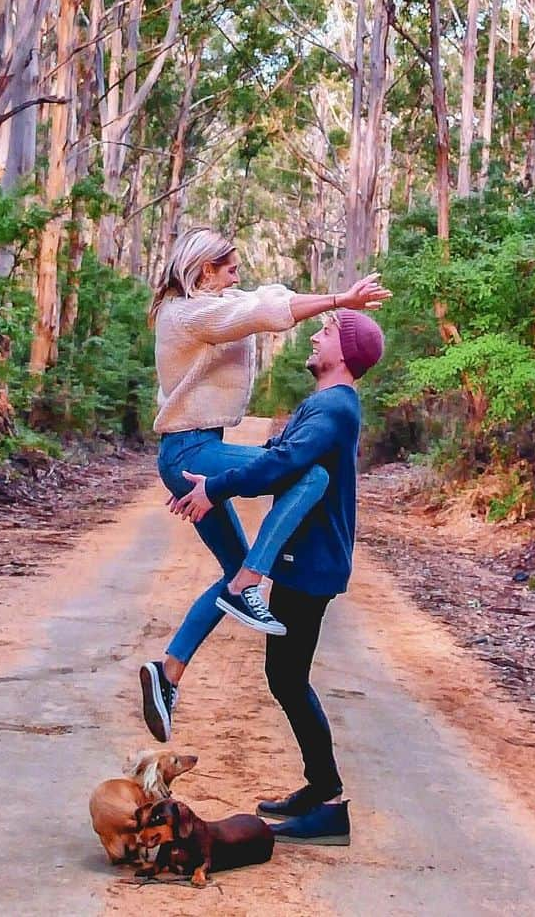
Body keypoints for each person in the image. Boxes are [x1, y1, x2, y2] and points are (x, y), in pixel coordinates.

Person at [139, 227, 389, 744]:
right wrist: (343, 300)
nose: (238, 276)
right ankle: (252, 577)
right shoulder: (188, 313)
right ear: (203, 270)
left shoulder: (214, 302)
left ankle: (166, 676)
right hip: (191, 449)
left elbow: (264, 299)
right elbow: (259, 313)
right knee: (311, 473)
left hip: (195, 449)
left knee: (233, 577)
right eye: (229, 268)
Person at [168, 307, 385, 847]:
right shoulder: (331, 404)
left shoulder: (335, 407)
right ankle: (319, 790)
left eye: (328, 331)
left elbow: (284, 464)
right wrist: (212, 479)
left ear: (346, 352)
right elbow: (275, 462)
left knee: (288, 679)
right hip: (309, 558)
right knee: (285, 677)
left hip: (311, 563)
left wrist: (215, 489)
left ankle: (329, 801)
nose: (316, 334)